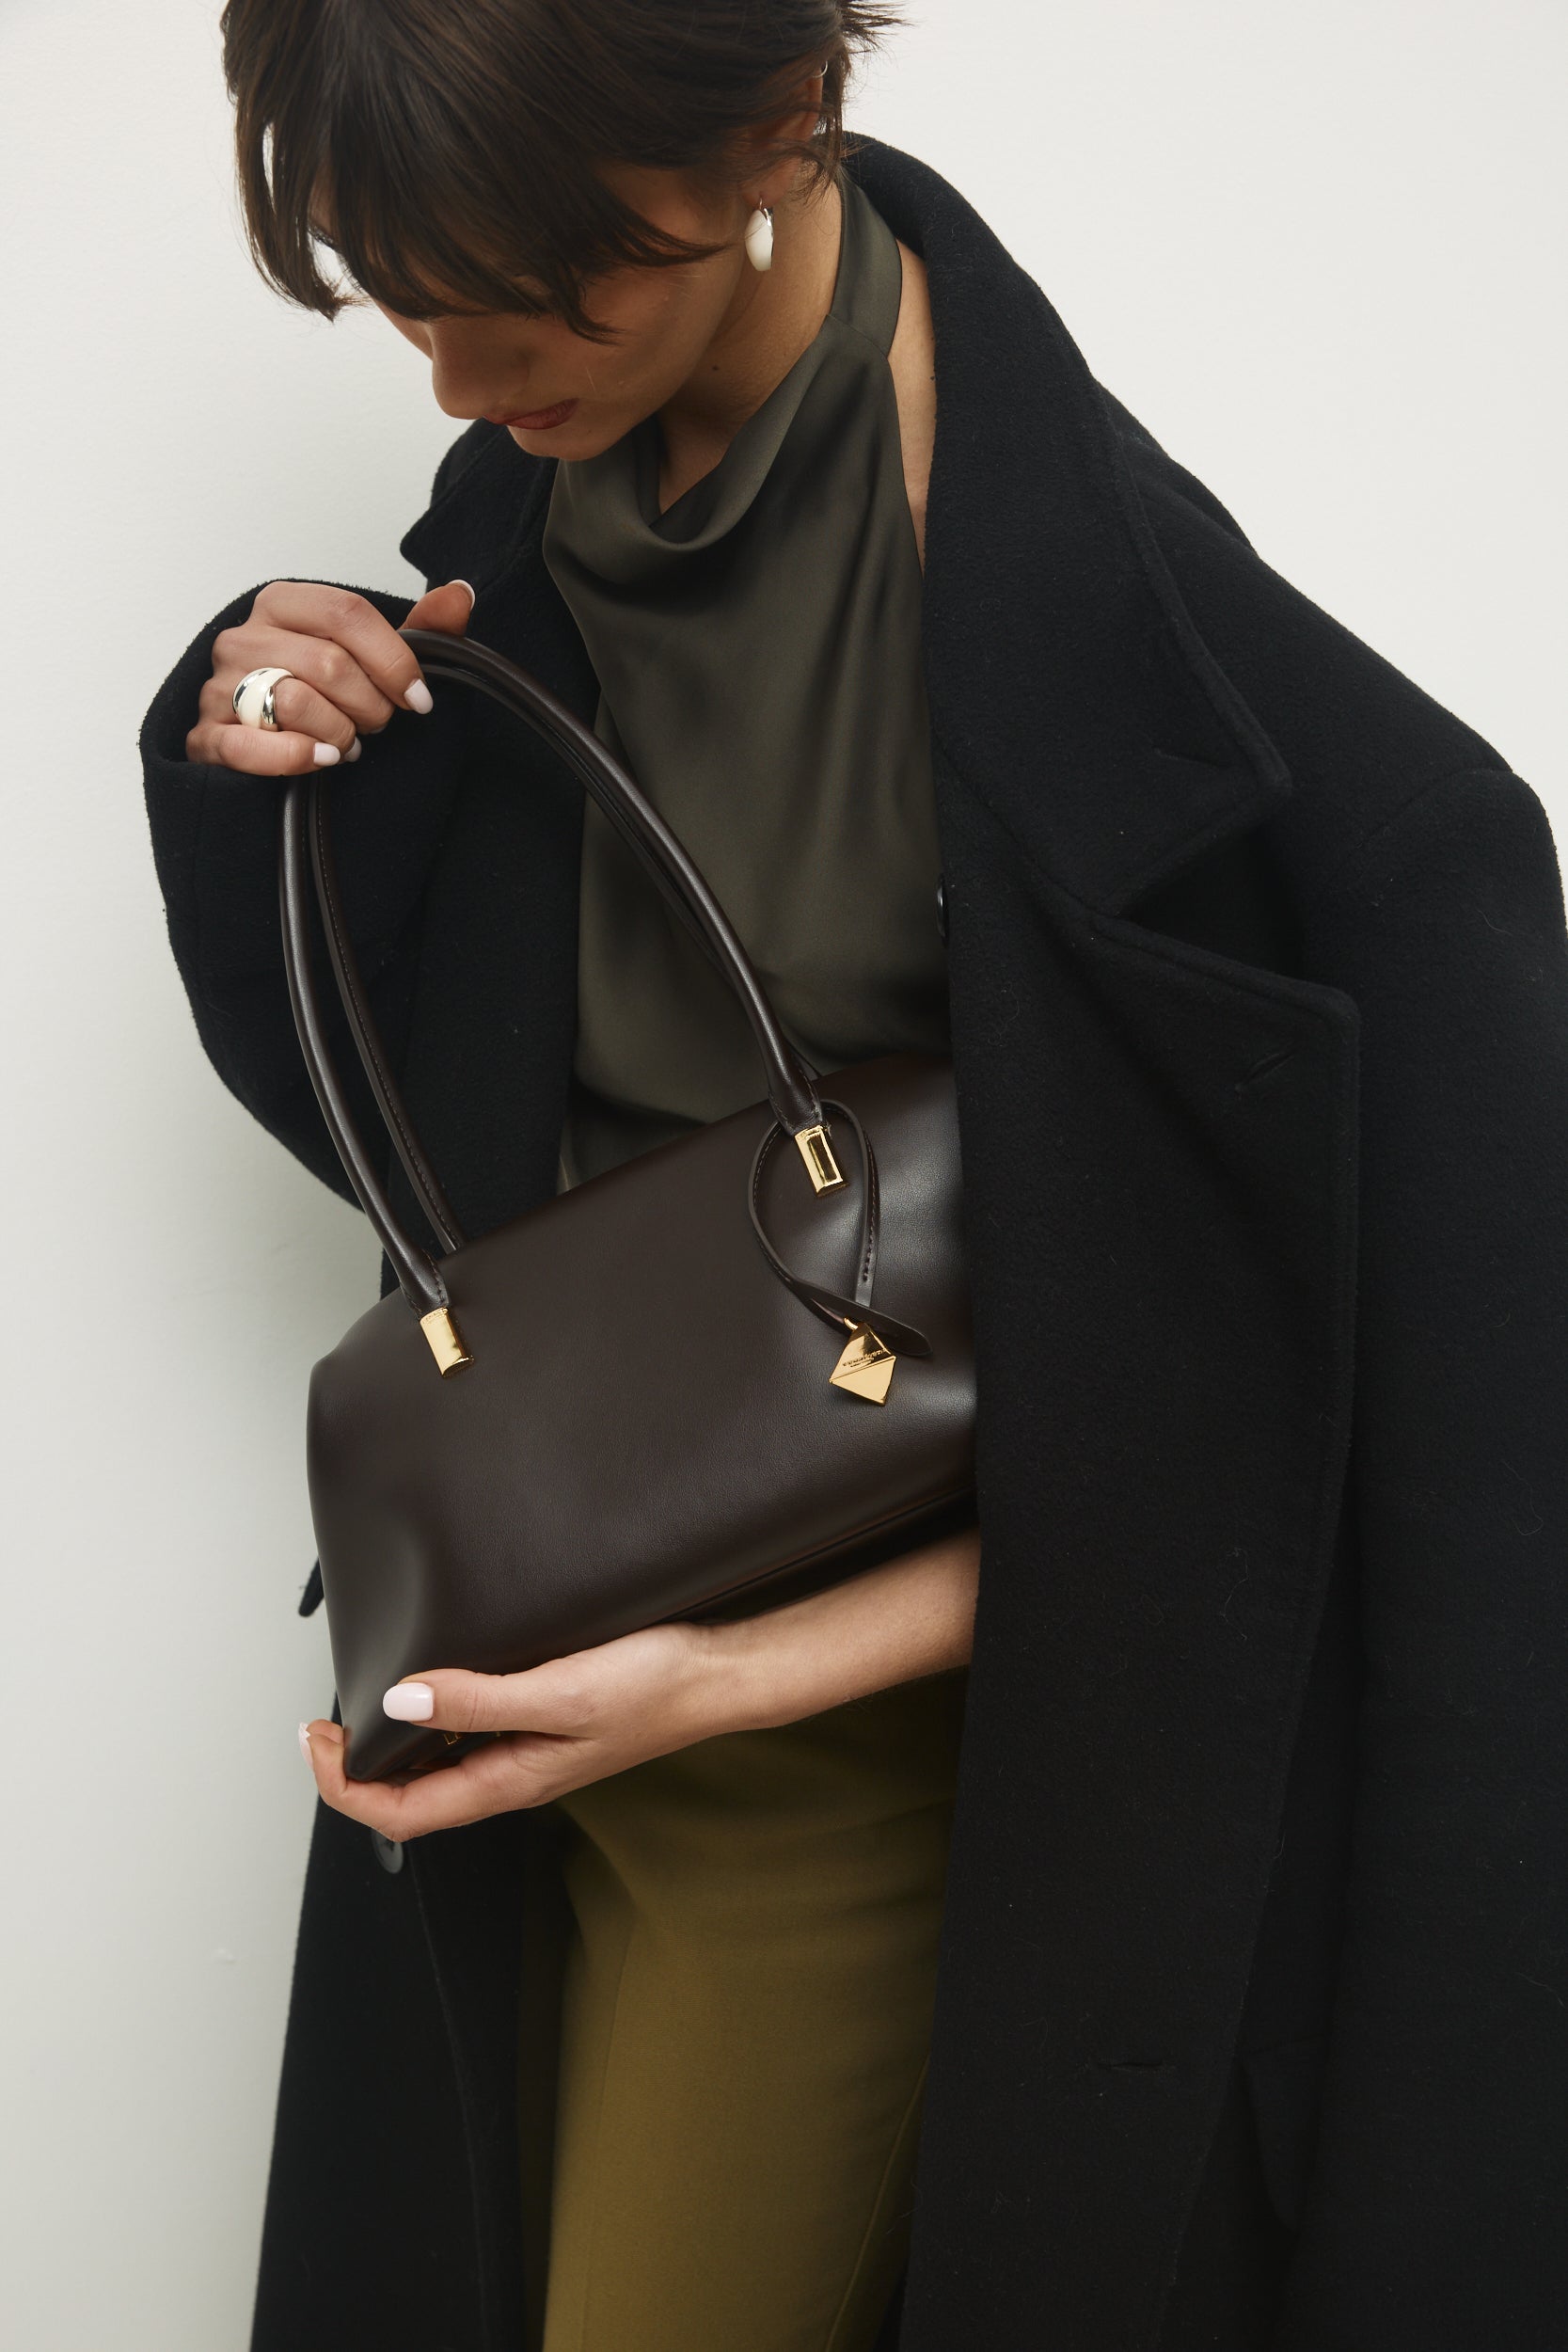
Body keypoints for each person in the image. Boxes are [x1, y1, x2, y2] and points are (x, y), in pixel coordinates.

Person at [138, 4, 1567, 2348]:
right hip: (525, 1660)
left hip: (828, 1769)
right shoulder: (523, 518)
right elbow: (453, 1130)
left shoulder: (1165, 679)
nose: (462, 379)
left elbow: (1280, 1468)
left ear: (782, 121)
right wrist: (292, 747)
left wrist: (725, 1681)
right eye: (407, 304)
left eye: (536, 295)